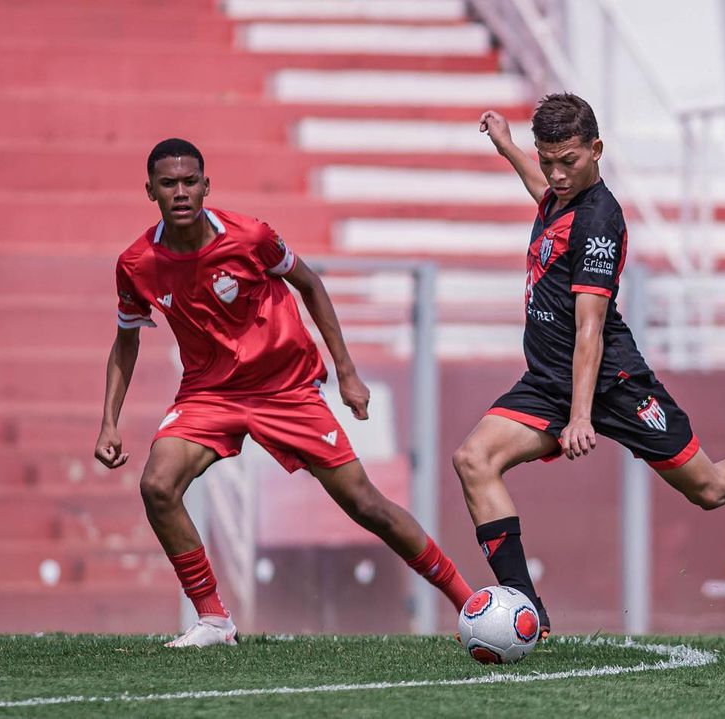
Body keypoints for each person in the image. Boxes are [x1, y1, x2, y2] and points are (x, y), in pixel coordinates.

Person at [454, 94, 725, 638]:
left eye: (569, 161)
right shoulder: (559, 194)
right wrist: (510, 148)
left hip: (614, 385)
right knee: (474, 460)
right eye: (548, 160)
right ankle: (526, 610)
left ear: (597, 150)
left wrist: (581, 417)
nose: (557, 174)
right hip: (547, 384)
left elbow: (589, 328)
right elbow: (543, 191)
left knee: (708, 488)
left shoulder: (600, 221)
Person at [94, 139, 473, 648]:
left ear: (206, 186)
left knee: (364, 504)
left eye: (190, 182)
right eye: (168, 184)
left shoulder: (251, 236)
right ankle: (213, 619)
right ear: (150, 191)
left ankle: (467, 601)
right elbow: (126, 341)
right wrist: (109, 423)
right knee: (157, 486)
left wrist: (346, 372)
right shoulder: (137, 263)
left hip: (285, 388)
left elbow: (310, 284)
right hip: (209, 394)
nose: (180, 192)